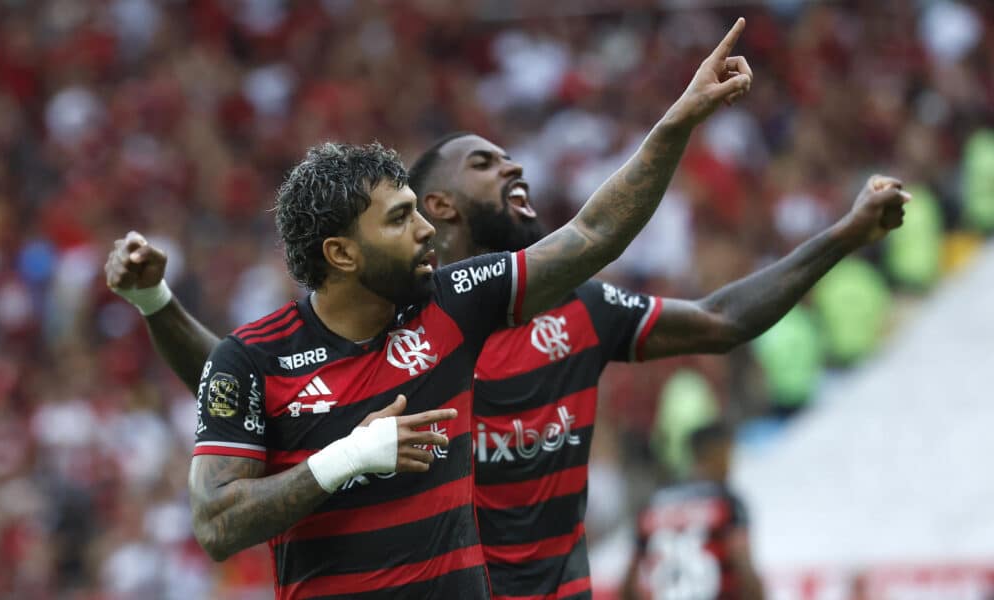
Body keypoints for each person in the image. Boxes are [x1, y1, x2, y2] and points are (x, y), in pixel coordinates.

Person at [106, 26, 912, 600]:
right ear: (349, 249)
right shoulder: (265, 355)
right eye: (400, 217)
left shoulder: (465, 308)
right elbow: (224, 487)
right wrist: (348, 454)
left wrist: (680, 120)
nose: (422, 228)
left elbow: (602, 239)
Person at [621, 421, 764, 600]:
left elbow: (629, 582)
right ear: (715, 454)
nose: (731, 463)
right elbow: (744, 570)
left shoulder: (653, 503)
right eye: (728, 454)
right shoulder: (725, 503)